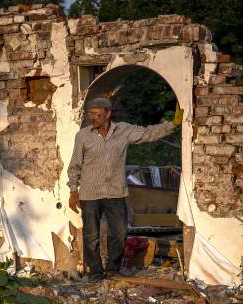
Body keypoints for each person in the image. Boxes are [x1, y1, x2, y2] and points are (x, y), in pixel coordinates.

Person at [67, 97, 178, 275]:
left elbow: (148, 133)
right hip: (89, 193)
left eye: (98, 115)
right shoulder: (83, 136)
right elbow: (75, 165)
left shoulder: (124, 131)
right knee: (91, 236)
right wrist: (73, 191)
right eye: (90, 115)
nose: (93, 118)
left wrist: (172, 125)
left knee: (119, 233)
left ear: (108, 114)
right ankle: (95, 272)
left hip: (115, 192)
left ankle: (112, 270)